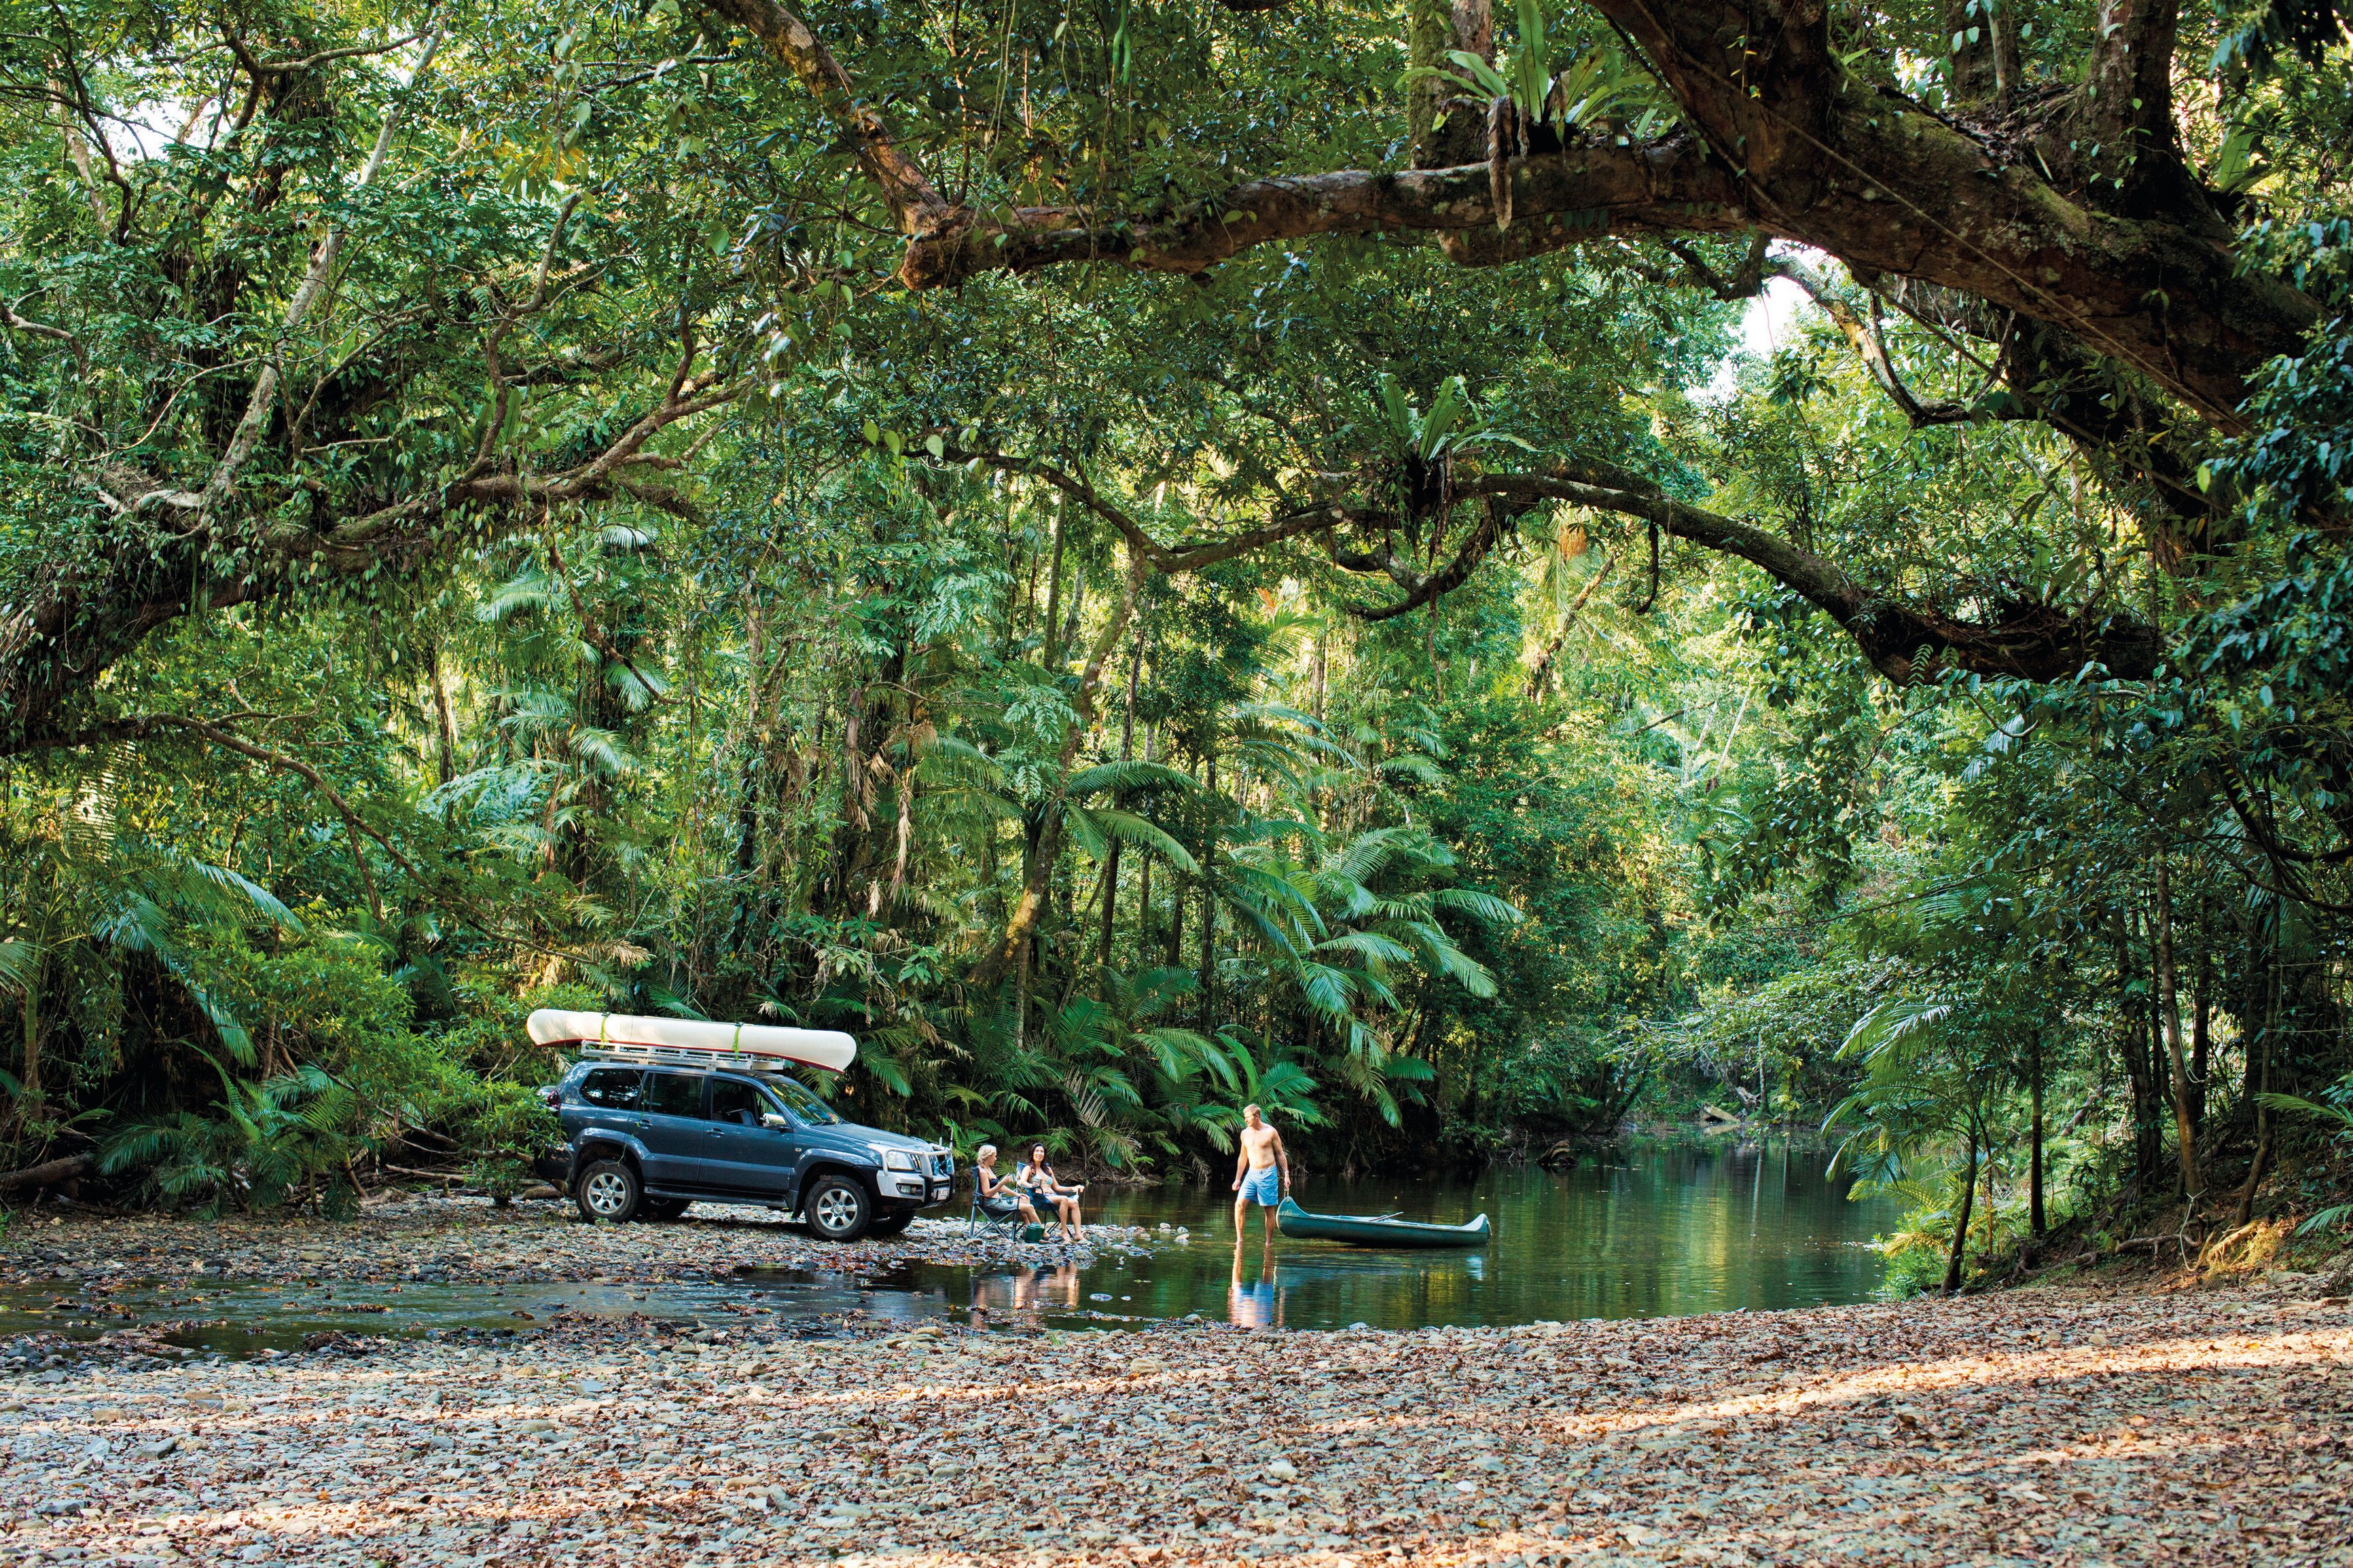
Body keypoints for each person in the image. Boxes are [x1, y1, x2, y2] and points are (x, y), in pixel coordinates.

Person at [1230, 1103, 1291, 1241]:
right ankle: (1239, 1241)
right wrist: (1238, 1178)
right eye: (1245, 1117)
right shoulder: (1245, 1134)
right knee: (1239, 1204)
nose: (1245, 1120)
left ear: (1257, 1116)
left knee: (1268, 1210)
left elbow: (1280, 1154)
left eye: (1248, 1117)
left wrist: (1286, 1173)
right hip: (1251, 1174)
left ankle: (1268, 1243)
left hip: (1268, 1174)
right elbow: (1243, 1156)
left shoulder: (1270, 1132)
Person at [1018, 1142, 1085, 1242]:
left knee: (1074, 1203)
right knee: (1064, 1199)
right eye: (1037, 1151)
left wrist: (1073, 1188)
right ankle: (1064, 1232)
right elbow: (1022, 1181)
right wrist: (1031, 1185)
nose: (1039, 1153)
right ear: (1032, 1153)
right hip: (1039, 1198)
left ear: (1045, 1154)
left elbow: (1057, 1187)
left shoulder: (1048, 1169)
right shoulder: (1028, 1168)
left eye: (1042, 1151)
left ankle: (1078, 1235)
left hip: (1052, 1197)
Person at [973, 1144, 1041, 1232]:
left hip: (997, 1201)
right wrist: (1002, 1183)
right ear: (989, 1156)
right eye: (995, 1156)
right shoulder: (983, 1172)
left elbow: (999, 1187)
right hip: (992, 1205)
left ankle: (1027, 1228)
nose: (996, 1159)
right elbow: (987, 1194)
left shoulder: (988, 1169)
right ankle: (1044, 1234)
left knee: (1024, 1199)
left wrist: (1016, 1194)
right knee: (1030, 1207)